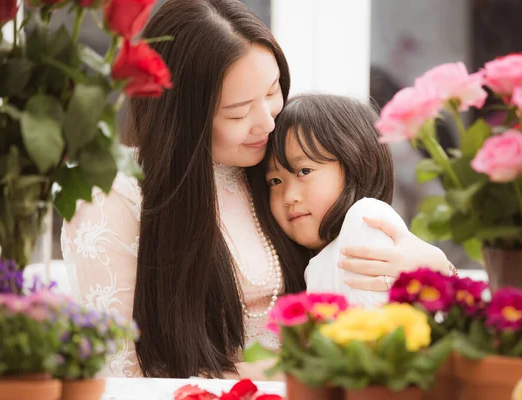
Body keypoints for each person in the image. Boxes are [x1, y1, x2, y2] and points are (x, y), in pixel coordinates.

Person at [61, 0, 452, 380]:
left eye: (272, 91)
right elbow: (121, 372)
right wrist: (278, 373)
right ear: (182, 119)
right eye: (238, 111)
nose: (267, 122)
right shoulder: (111, 197)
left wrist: (432, 266)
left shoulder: (271, 160)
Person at [258, 94, 411, 309]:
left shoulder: (366, 220)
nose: (289, 197)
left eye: (304, 171)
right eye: (275, 181)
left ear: (362, 164)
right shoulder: (309, 260)